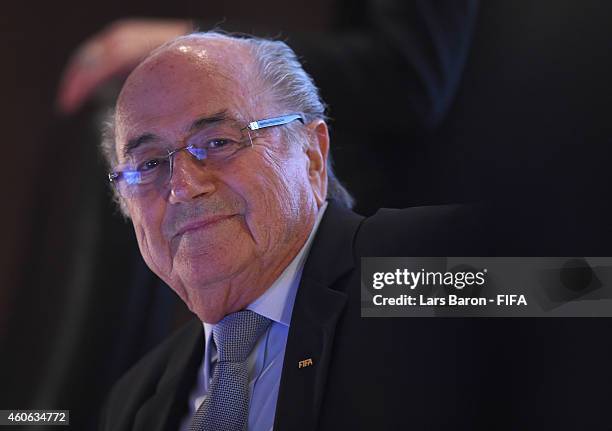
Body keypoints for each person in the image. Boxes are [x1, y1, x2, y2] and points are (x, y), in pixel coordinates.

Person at [99, 31, 492, 431]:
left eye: (217, 141)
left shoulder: (424, 266)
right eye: (148, 165)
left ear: (312, 154)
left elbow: (559, 291)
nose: (182, 186)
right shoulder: (134, 401)